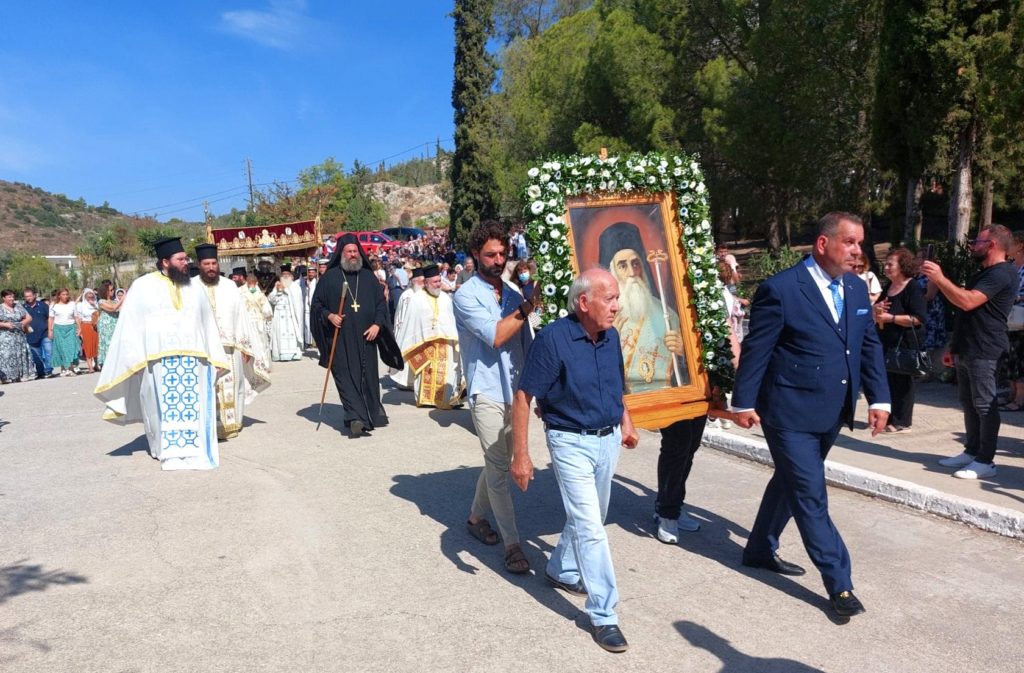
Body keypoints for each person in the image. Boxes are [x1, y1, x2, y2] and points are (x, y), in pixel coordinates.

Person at [731, 212, 890, 621]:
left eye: (860, 243)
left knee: (790, 480)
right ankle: (839, 582)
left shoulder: (855, 288)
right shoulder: (782, 289)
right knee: (809, 492)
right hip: (788, 412)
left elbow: (867, 345)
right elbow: (758, 349)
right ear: (823, 244)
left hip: (833, 410)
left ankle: (759, 549)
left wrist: (880, 399)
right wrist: (742, 402)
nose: (858, 251)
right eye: (850, 242)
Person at [511, 269, 638, 653]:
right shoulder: (553, 339)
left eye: (617, 298)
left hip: (607, 440)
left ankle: (560, 569)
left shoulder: (610, 335)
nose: (616, 306)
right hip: (569, 441)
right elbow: (524, 397)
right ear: (584, 302)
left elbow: (616, 384)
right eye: (609, 299)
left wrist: (626, 421)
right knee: (591, 526)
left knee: (591, 517)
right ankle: (604, 614)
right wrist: (521, 455)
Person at [94, 237, 229, 470]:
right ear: (165, 262)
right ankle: (164, 449)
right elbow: (131, 324)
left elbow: (207, 323)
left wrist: (215, 356)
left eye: (186, 258)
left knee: (194, 407)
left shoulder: (195, 286)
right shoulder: (143, 286)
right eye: (181, 259)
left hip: (194, 360)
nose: (186, 262)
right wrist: (133, 360)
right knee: (159, 409)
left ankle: (195, 448)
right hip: (158, 361)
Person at [453, 220, 535, 576]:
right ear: (476, 254)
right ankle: (512, 544)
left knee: (495, 462)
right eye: (490, 254)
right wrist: (528, 307)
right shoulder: (465, 296)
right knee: (501, 468)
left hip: (516, 392)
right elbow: (497, 335)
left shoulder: (514, 293)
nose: (498, 260)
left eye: (503, 253)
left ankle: (475, 518)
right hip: (485, 390)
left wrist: (538, 391)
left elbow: (526, 343)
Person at [922, 224, 1018, 479]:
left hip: (986, 348)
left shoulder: (1002, 273)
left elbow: (968, 301)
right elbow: (966, 312)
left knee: (985, 404)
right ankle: (972, 451)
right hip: (968, 346)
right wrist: (954, 347)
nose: (972, 245)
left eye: (977, 242)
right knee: (968, 402)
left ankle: (986, 460)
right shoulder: (984, 272)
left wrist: (940, 278)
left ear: (992, 245)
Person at [310, 234, 392, 436]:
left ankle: (370, 412)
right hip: (341, 340)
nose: (353, 255)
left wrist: (377, 325)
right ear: (341, 253)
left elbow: (381, 305)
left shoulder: (368, 277)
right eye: (349, 251)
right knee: (345, 377)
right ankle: (355, 417)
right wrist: (329, 316)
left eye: (355, 251)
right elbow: (316, 306)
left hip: (366, 339)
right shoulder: (330, 278)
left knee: (367, 377)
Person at [194, 243, 271, 440]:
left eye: (214, 263)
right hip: (202, 349)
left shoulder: (229, 286)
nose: (211, 267)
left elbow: (241, 316)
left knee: (232, 385)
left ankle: (231, 424)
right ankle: (208, 426)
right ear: (199, 264)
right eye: (206, 264)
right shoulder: (191, 286)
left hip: (230, 348)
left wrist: (245, 347)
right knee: (206, 387)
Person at [600, 223, 687, 392]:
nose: (632, 272)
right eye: (623, 266)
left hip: (666, 394)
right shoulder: (601, 317)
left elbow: (684, 369)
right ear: (612, 272)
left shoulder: (666, 314)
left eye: (635, 264)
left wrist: (683, 352)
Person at [393, 264, 464, 408]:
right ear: (426, 283)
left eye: (439, 281)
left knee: (447, 372)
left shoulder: (445, 298)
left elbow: (451, 322)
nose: (438, 284)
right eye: (435, 282)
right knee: (426, 371)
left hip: (446, 344)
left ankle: (447, 399)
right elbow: (411, 325)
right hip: (424, 344)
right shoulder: (417, 299)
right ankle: (426, 400)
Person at [874, 248, 927, 433]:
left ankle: (902, 421)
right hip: (886, 341)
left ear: (903, 266)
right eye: (886, 264)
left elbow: (918, 318)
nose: (886, 267)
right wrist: (877, 309)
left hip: (905, 343)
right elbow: (879, 310)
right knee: (888, 381)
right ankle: (888, 418)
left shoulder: (912, 287)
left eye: (890, 264)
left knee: (902, 383)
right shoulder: (888, 286)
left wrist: (892, 318)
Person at [998, 230, 1024, 410]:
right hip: (1008, 318)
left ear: (1020, 245)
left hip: (1021, 319)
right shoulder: (1011, 266)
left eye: (1011, 243)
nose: (1007, 247)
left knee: (1020, 358)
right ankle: (1012, 394)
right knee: (1009, 357)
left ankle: (1020, 400)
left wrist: (1017, 297)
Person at [388, 267, 424, 390]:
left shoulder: (424, 294)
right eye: (420, 281)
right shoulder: (407, 295)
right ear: (414, 281)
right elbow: (400, 315)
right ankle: (405, 381)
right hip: (406, 329)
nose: (422, 284)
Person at [268, 268, 304, 362]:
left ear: (291, 276)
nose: (285, 276)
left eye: (287, 275)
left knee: (293, 334)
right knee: (279, 335)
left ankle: (294, 354)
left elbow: (296, 300)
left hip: (291, 315)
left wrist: (285, 289)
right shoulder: (277, 285)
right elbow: (271, 299)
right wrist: (276, 291)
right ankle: (280, 355)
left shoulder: (295, 286)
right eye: (283, 275)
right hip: (279, 315)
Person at [0, 289, 35, 383]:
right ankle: (6, 377)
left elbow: (29, 317)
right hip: (6, 337)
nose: (12, 298)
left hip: (19, 336)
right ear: (4, 298)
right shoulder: (0, 308)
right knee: (7, 356)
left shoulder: (18, 306)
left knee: (20, 355)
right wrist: (5, 324)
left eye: (13, 296)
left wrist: (22, 323)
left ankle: (20, 375)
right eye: (9, 297)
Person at [22, 286, 52, 379]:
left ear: (34, 295)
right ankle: (41, 372)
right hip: (31, 336)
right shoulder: (22, 308)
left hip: (45, 333)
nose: (28, 298)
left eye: (30, 296)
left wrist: (50, 330)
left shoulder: (43, 305)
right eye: (26, 296)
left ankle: (48, 371)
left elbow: (50, 318)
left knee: (49, 352)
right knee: (37, 357)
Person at [48, 288, 80, 376]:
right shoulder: (53, 305)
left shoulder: (72, 304)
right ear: (59, 295)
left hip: (71, 328)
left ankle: (70, 368)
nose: (65, 296)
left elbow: (76, 316)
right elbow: (51, 318)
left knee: (71, 348)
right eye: (63, 294)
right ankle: (64, 368)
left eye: (66, 294)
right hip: (58, 328)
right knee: (62, 349)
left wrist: (79, 328)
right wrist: (50, 330)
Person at [240, 271, 273, 353]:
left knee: (250, 340)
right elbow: (267, 311)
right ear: (257, 283)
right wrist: (268, 318)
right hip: (259, 320)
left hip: (247, 320)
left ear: (247, 283)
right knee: (260, 340)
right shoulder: (261, 295)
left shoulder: (243, 295)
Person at [96, 281, 123, 370]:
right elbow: (112, 309)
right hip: (106, 325)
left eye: (113, 290)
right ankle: (106, 362)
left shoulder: (114, 301)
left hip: (115, 323)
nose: (112, 291)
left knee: (115, 342)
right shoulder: (101, 301)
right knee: (107, 342)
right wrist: (122, 299)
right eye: (110, 290)